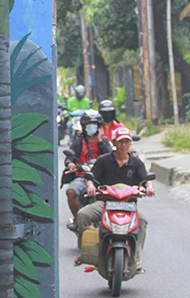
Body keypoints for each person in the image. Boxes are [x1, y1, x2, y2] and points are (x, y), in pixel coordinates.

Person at [76, 126, 154, 266]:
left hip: (128, 205)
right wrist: (91, 186)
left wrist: (149, 187)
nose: (123, 145)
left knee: (142, 221)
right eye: (120, 142)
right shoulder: (103, 160)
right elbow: (91, 178)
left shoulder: (136, 162)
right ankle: (87, 252)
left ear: (130, 143)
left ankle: (136, 259)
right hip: (105, 203)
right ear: (114, 143)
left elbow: (145, 178)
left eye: (126, 142)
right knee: (83, 215)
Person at [64, 110, 112, 230]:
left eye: (94, 124)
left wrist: (101, 142)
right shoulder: (78, 142)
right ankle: (77, 219)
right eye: (88, 124)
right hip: (82, 177)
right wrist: (70, 164)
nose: (91, 126)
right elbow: (69, 157)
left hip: (101, 179)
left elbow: (111, 157)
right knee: (71, 192)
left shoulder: (104, 142)